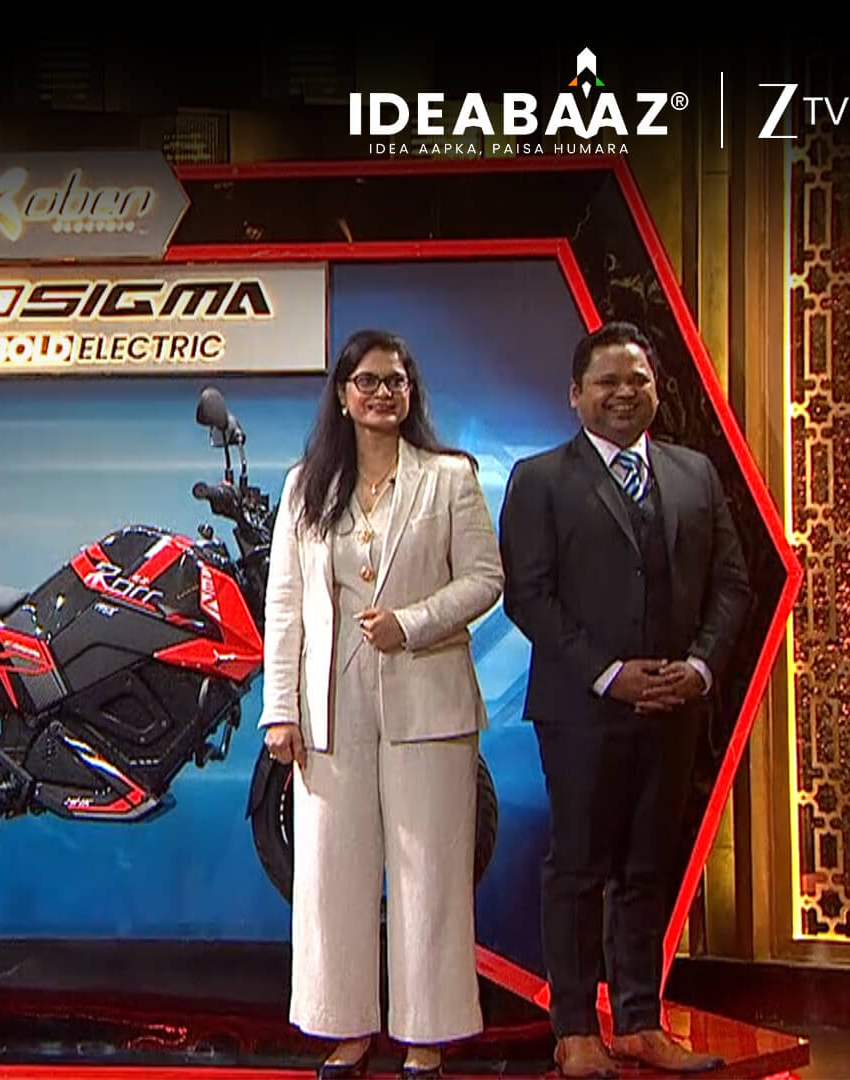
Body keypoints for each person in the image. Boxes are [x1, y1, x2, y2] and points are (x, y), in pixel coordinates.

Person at [496, 322, 750, 1078]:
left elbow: (732, 584)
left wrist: (699, 668)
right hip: (582, 710)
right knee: (578, 868)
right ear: (575, 394)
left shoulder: (694, 474)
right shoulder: (540, 479)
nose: (623, 393)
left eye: (637, 380)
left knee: (647, 868)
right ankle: (574, 1029)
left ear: (656, 391)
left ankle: (640, 1021)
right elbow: (529, 595)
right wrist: (608, 673)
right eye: (606, 381)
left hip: (675, 708)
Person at [259, 329, 504, 1078]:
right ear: (342, 395)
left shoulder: (449, 477)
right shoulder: (306, 485)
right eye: (367, 381)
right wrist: (279, 709)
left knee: (430, 873)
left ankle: (426, 1036)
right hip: (331, 704)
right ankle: (347, 1029)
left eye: (395, 381)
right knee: (332, 875)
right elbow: (285, 604)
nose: (382, 393)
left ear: (411, 392)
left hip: (428, 692)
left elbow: (485, 579)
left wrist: (413, 623)